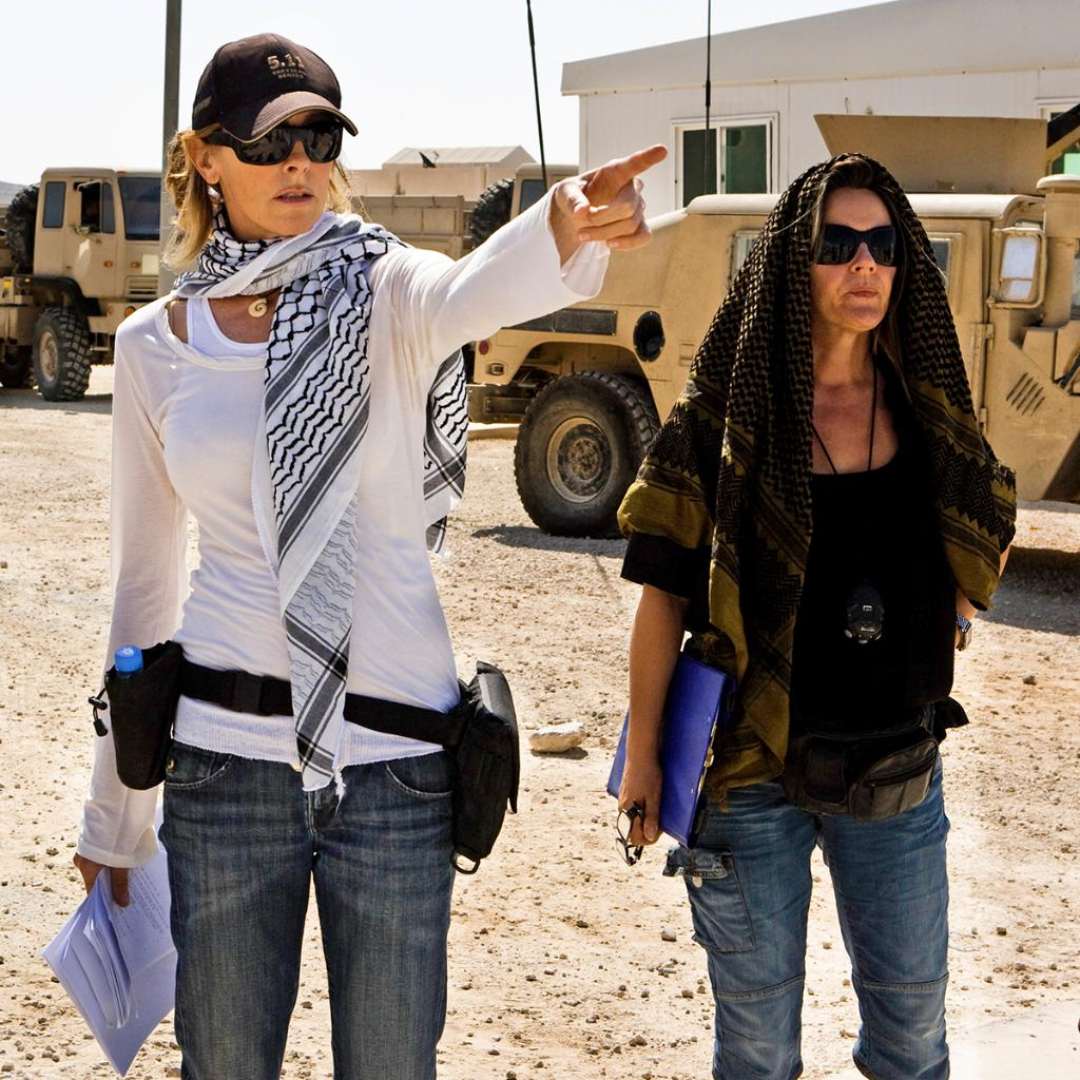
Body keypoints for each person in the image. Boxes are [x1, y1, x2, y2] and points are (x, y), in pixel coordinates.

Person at [71, 33, 664, 1080]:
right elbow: (145, 587)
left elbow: (470, 291)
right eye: (269, 142)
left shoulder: (384, 290)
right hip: (220, 769)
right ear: (206, 158)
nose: (299, 161)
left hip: (396, 777)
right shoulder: (155, 347)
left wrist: (562, 224)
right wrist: (116, 818)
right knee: (224, 1066)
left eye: (317, 137)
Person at [616, 154, 1016, 1080]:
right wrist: (643, 758)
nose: (864, 265)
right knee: (756, 1052)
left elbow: (988, 517)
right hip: (750, 773)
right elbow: (663, 597)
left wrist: (954, 599)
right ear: (796, 265)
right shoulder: (729, 416)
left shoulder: (926, 408)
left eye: (882, 245)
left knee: (912, 1045)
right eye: (838, 245)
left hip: (897, 770)